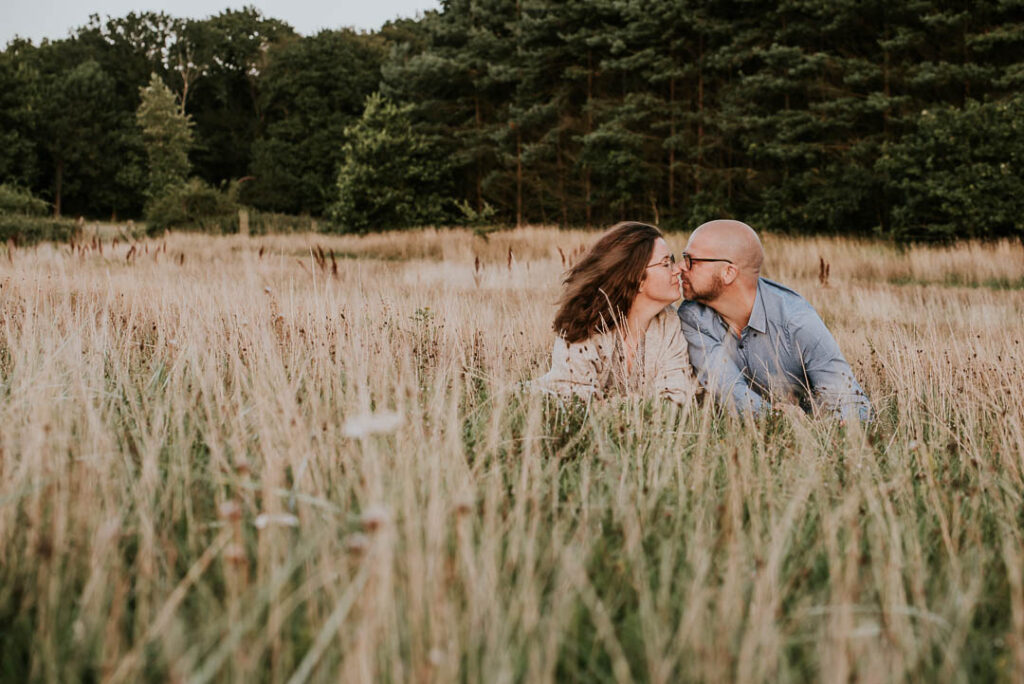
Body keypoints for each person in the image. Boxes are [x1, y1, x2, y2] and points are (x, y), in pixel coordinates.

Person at [677, 219, 872, 421]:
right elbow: (728, 389)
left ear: (728, 273)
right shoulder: (693, 317)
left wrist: (818, 426)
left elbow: (854, 405)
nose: (679, 267)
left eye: (691, 260)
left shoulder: (797, 321)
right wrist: (777, 418)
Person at [535, 221, 698, 405]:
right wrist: (636, 406)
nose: (677, 269)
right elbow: (575, 399)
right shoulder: (585, 320)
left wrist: (611, 404)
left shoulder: (669, 321)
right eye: (666, 263)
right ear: (637, 278)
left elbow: (676, 398)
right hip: (536, 406)